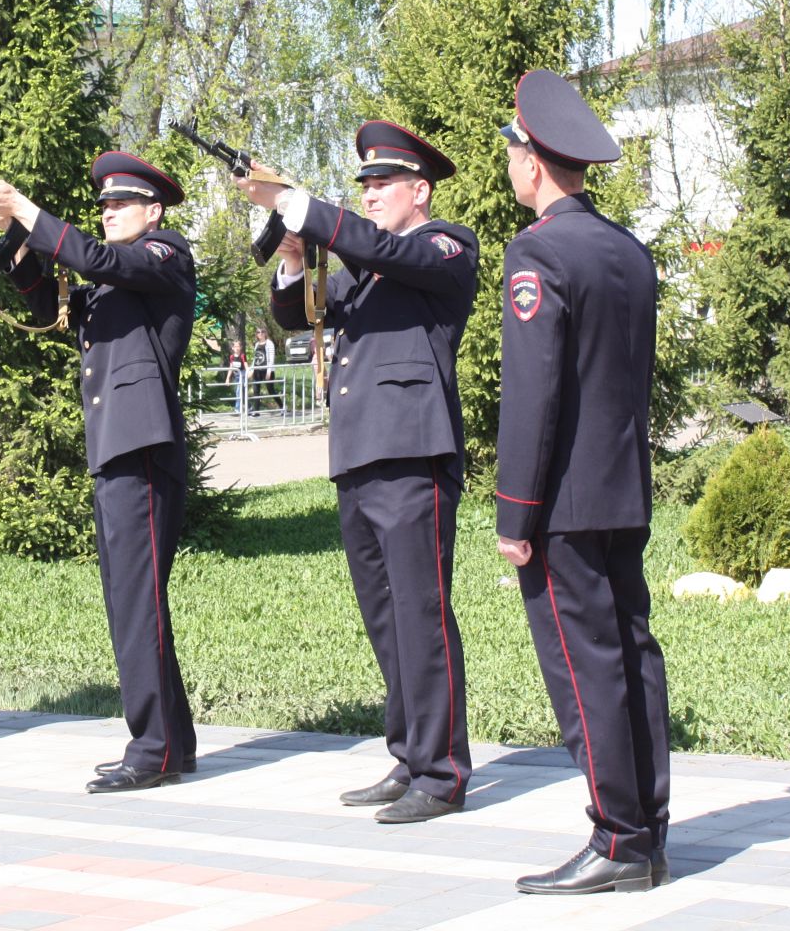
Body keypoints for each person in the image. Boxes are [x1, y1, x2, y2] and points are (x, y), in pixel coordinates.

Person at [237, 121, 477, 824]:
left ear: (420, 190)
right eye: (364, 185)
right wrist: (289, 252)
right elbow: (295, 312)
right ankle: (409, 754)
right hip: (360, 457)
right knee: (384, 616)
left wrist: (305, 207)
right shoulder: (367, 271)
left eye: (383, 183)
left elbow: (380, 247)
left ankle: (444, 768)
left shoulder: (445, 245)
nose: (370, 195)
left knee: (421, 614)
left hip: (412, 455)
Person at [495, 69, 669, 895]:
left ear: (534, 163)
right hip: (623, 491)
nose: (509, 165)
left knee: (585, 667)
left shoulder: (539, 253)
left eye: (512, 152)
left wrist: (514, 511)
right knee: (632, 655)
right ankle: (648, 827)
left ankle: (617, 837)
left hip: (561, 503)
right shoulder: (627, 252)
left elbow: (535, 396)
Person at [0, 152, 198, 794]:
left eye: (118, 205)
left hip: (143, 447)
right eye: (101, 206)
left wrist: (27, 208)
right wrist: (13, 233)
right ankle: (171, 743)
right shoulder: (111, 278)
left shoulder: (165, 254)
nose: (106, 214)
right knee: (133, 599)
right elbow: (44, 298)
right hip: (116, 446)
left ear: (152, 211)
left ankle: (153, 746)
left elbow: (101, 261)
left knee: (136, 599)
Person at [249, 326, 282, 411]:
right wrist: (252, 370)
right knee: (256, 391)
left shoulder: (269, 343)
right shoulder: (256, 344)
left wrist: (269, 371)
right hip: (257, 371)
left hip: (266, 370)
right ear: (256, 334)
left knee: (271, 390)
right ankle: (256, 411)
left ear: (265, 333)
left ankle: (282, 407)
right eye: (258, 332)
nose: (260, 334)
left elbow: (271, 358)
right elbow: (255, 358)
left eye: (262, 332)